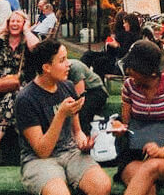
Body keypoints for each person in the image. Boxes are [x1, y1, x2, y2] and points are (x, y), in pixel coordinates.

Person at [15, 40, 111, 195]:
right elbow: (42, 151)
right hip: (39, 160)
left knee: (102, 186)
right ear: (46, 67)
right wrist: (60, 114)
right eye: (62, 60)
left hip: (71, 153)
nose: (69, 64)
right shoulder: (26, 99)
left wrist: (83, 143)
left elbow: (77, 131)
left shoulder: (68, 87)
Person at [111, 40, 164, 195]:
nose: (129, 71)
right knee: (148, 187)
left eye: (133, 68)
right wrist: (119, 128)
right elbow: (126, 124)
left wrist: (162, 151)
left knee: (149, 168)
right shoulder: (129, 87)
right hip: (134, 155)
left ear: (147, 70)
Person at [0, 10, 39, 162]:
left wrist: (27, 30)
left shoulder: (27, 43)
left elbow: (36, 47)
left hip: (19, 83)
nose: (15, 24)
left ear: (24, 23)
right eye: (12, 21)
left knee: (12, 99)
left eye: (19, 21)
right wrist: (2, 28)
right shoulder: (0, 43)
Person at [92, 13, 142, 81]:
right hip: (118, 60)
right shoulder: (131, 35)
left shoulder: (130, 36)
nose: (124, 25)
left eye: (125, 23)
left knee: (98, 62)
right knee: (93, 58)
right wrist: (111, 43)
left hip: (121, 64)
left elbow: (122, 53)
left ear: (130, 24)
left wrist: (115, 45)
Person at [67, 59, 109, 135]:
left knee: (82, 113)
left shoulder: (75, 68)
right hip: (82, 91)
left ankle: (85, 136)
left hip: (95, 90)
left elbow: (80, 96)